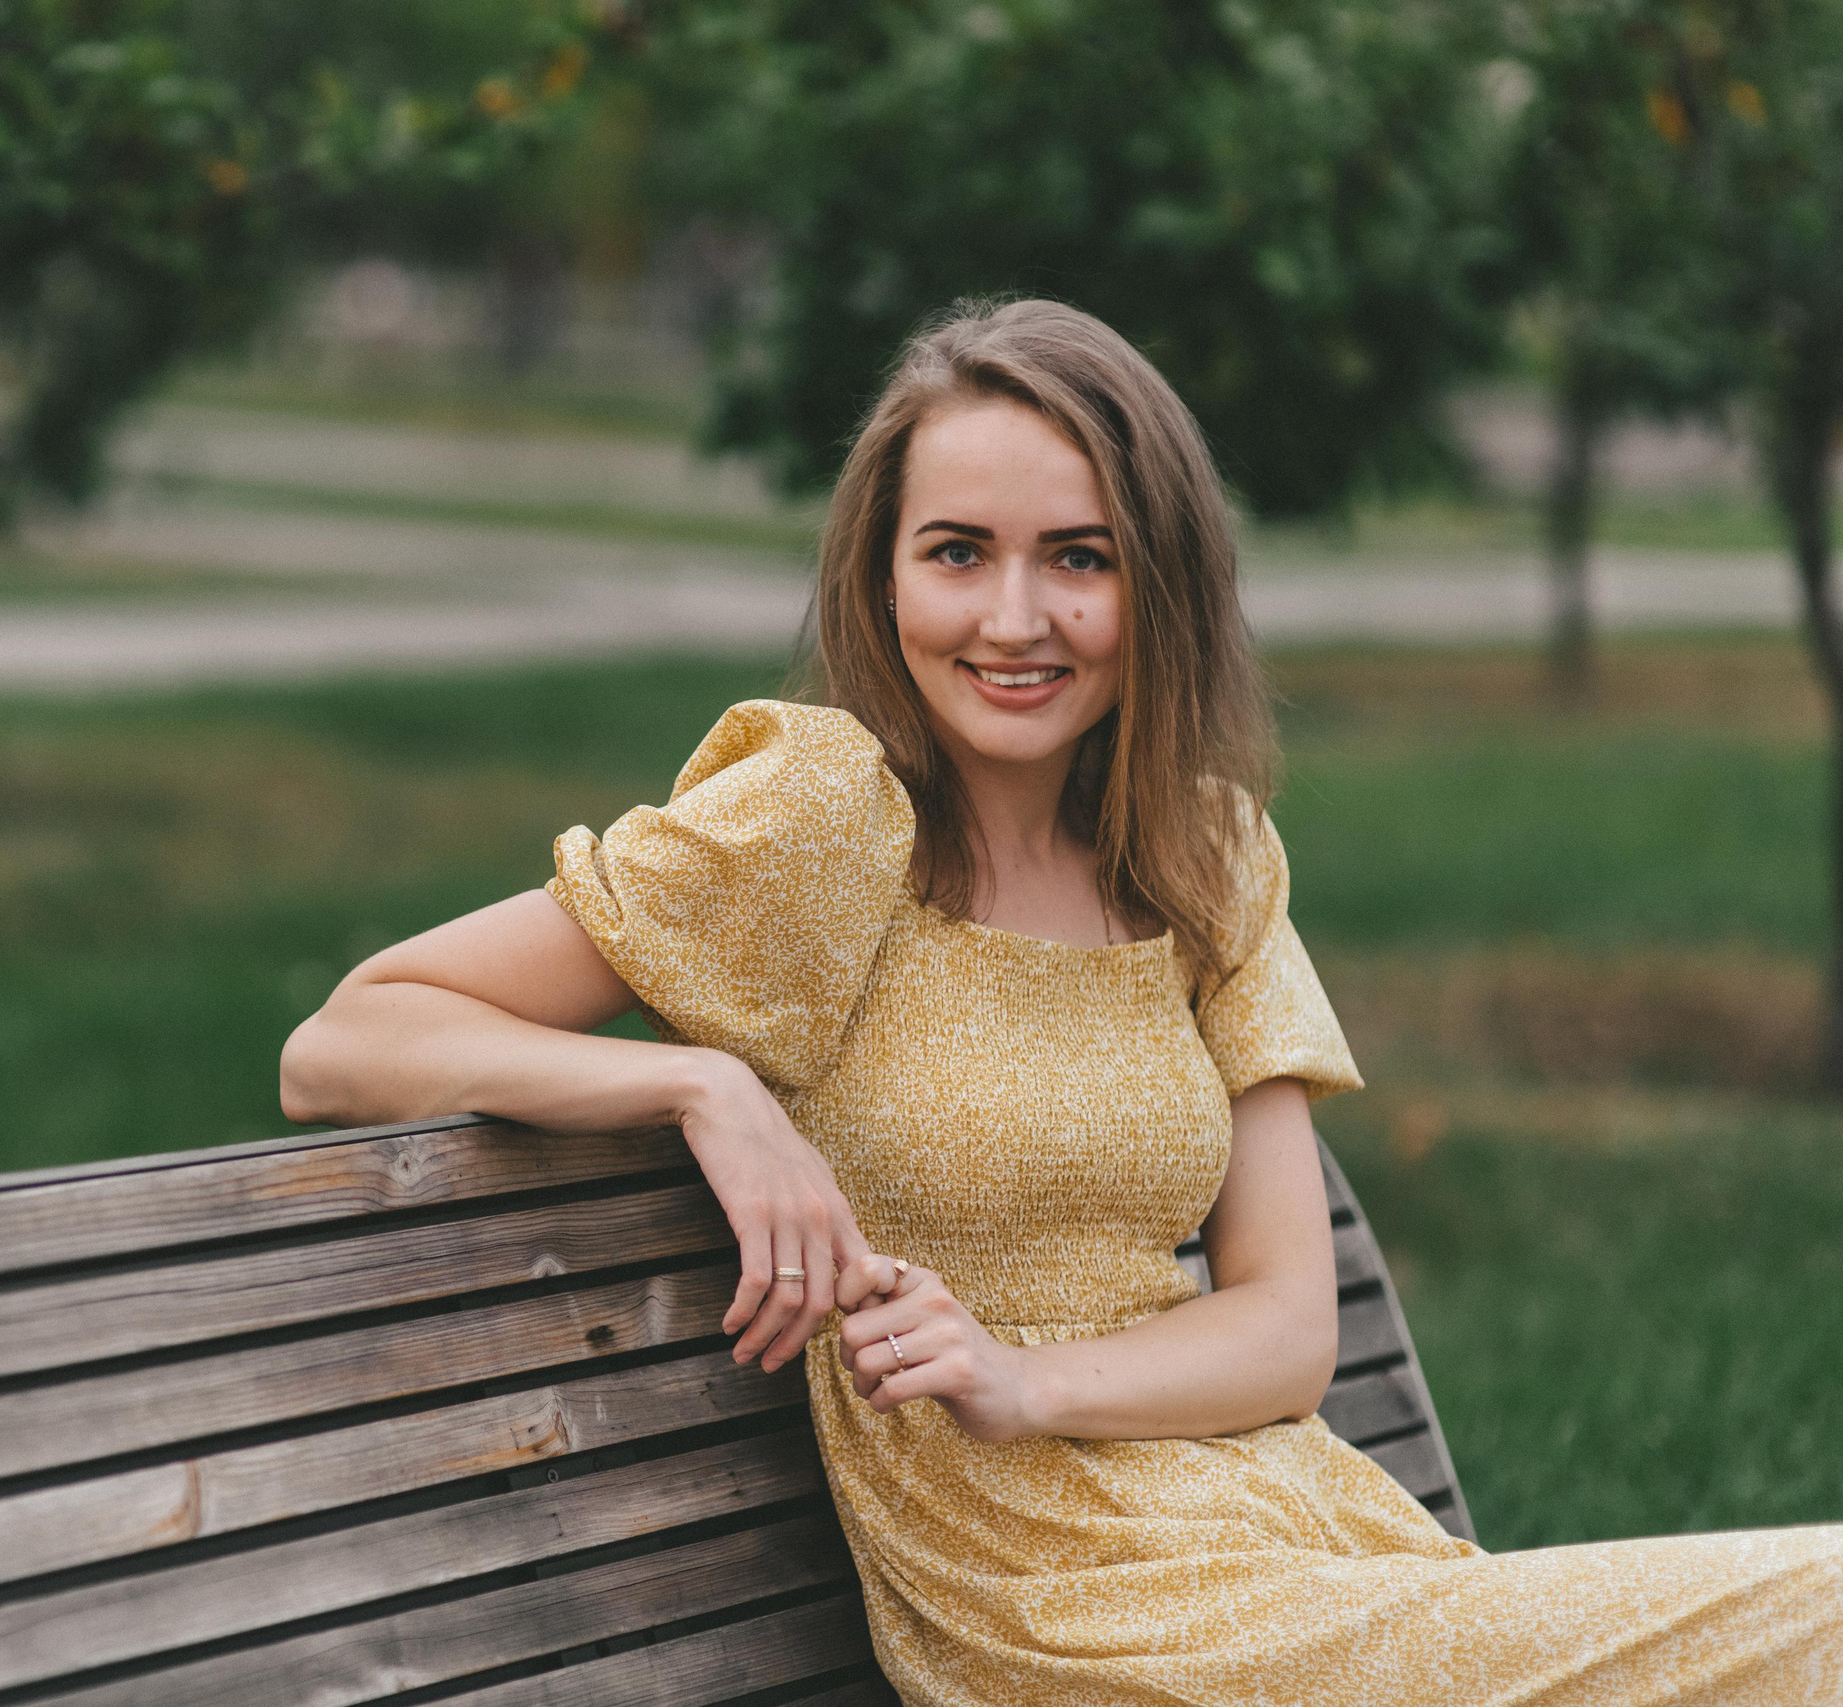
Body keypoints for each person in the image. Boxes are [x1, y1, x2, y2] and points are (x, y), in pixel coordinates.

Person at [278, 297, 1843, 1704]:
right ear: (881, 569)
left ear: (1155, 581)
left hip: (1292, 1544)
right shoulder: (821, 822)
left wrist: (1028, 1384)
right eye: (956, 552)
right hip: (1062, 1622)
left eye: (1076, 559)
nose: (1012, 620)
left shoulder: (1204, 853)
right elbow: (348, 1038)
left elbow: (1289, 1329)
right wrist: (706, 1089)